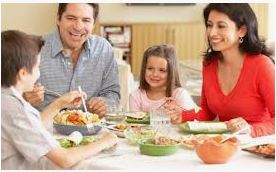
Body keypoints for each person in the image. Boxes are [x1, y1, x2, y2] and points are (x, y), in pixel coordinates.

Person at [1, 30, 118, 170]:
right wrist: (105, 142)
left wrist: (59, 103)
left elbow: (32, 127)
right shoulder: (16, 109)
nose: (39, 73)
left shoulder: (6, 100)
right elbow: (65, 159)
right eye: (37, 67)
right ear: (23, 73)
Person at [165, 3, 275, 137]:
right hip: (224, 144)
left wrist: (251, 130)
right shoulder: (209, 64)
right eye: (209, 25)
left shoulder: (262, 65)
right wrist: (182, 115)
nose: (212, 33)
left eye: (221, 26)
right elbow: (208, 112)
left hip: (258, 146)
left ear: (242, 30)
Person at [23, 3, 120, 117]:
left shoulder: (103, 48)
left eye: (86, 20)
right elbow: (10, 97)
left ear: (93, 24)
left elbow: (112, 92)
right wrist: (25, 97)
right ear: (58, 19)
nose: (78, 26)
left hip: (91, 130)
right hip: (45, 129)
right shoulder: (35, 49)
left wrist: (105, 104)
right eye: (71, 18)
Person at [129, 44, 196, 112]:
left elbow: (193, 118)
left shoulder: (179, 94)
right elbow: (134, 121)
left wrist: (179, 111)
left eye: (162, 70)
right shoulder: (136, 96)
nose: (155, 74)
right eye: (150, 68)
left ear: (171, 72)